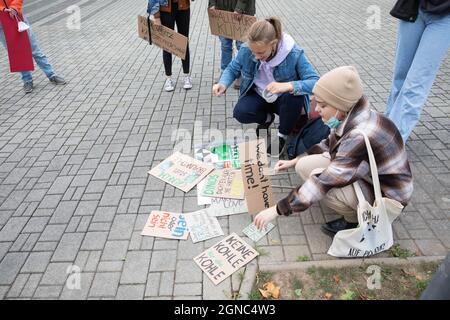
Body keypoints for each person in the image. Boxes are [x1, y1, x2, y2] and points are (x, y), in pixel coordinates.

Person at [254, 66, 413, 238]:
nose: (316, 110)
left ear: (340, 106)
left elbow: (324, 182)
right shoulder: (352, 115)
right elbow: (329, 144)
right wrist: (293, 161)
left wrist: (278, 209)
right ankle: (348, 203)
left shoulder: (358, 136)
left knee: (320, 181)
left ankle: (355, 220)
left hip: (387, 196)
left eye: (322, 105)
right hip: (369, 176)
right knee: (302, 165)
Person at [212, 17, 319, 155]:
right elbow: (233, 68)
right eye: (253, 52)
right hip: (259, 94)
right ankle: (267, 119)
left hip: (284, 100)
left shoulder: (293, 53)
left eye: (261, 52)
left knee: (293, 97)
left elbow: (316, 81)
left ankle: (282, 136)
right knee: (240, 112)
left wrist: (288, 85)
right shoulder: (246, 49)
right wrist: (223, 83)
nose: (256, 56)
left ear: (273, 44)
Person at [385, 0, 450, 142]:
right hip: (415, 9)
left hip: (445, 18)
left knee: (416, 82)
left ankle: (392, 142)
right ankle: (384, 129)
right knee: (400, 77)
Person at [0, 0, 66, 94]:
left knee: (34, 50)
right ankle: (27, 80)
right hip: (1, 25)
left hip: (15, 16)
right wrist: (3, 9)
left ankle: (51, 75)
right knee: (17, 54)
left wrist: (14, 7)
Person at [208, 0, 256, 89]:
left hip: (244, 10)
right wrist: (212, 4)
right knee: (225, 45)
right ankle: (225, 73)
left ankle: (242, 74)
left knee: (242, 46)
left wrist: (239, 8)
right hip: (222, 11)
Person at [147, 0, 193, 92]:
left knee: (184, 42)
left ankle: (186, 75)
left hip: (183, 7)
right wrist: (156, 16)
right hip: (165, 9)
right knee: (166, 44)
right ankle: (169, 78)